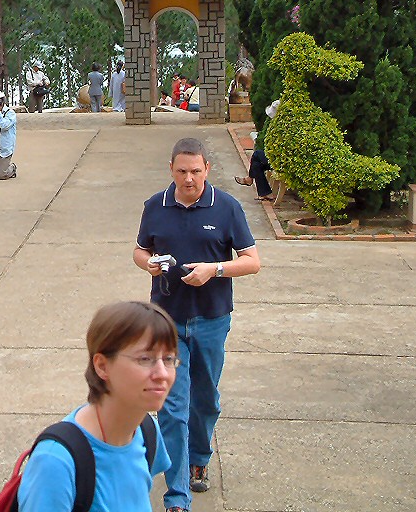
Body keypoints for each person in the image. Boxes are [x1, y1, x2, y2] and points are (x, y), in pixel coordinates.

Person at [132, 137, 261, 512]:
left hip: (211, 319)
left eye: (195, 171)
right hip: (167, 321)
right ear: (170, 169)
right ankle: (177, 496)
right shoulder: (155, 207)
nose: (189, 179)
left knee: (205, 402)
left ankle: (199, 456)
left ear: (207, 168)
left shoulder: (227, 208)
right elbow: (140, 250)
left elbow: (252, 260)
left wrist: (215, 270)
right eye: (181, 171)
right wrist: (149, 264)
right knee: (171, 407)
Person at [17, 301, 174, 511]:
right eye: (145, 358)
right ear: (102, 366)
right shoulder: (55, 463)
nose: (162, 373)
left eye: (169, 359)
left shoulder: (146, 430)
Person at [234, 100, 281, 201]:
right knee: (256, 165)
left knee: (256, 154)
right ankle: (266, 193)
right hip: (275, 157)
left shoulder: (283, 127)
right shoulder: (275, 125)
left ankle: (250, 179)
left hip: (281, 161)